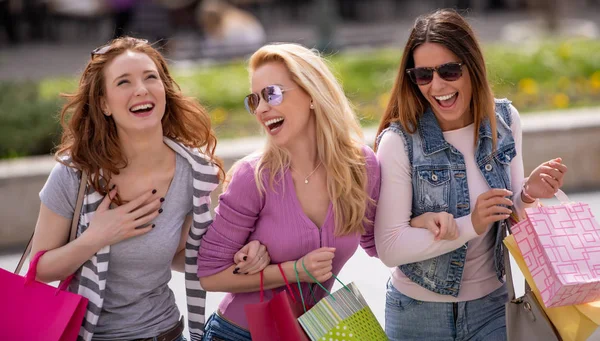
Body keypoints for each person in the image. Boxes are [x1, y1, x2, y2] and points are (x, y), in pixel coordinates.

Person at [30, 36, 267, 341]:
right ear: (103, 103)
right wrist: (97, 236)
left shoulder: (194, 171)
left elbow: (181, 254)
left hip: (165, 333)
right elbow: (39, 270)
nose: (141, 89)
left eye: (150, 77)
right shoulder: (76, 173)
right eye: (124, 82)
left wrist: (241, 256)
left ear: (164, 91)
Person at [374, 9, 568, 341]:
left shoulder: (505, 120)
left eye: (449, 70)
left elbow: (511, 214)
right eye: (423, 75)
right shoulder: (399, 142)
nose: (437, 86)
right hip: (419, 317)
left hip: (493, 308)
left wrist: (528, 193)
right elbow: (390, 246)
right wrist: (470, 224)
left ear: (472, 68)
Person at [197, 43, 381, 340]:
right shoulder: (253, 177)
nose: (260, 109)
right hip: (239, 334)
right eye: (254, 100)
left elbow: (377, 242)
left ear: (311, 94)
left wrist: (427, 219)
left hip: (316, 331)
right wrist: (293, 271)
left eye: (272, 93)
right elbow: (209, 274)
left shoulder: (361, 166)